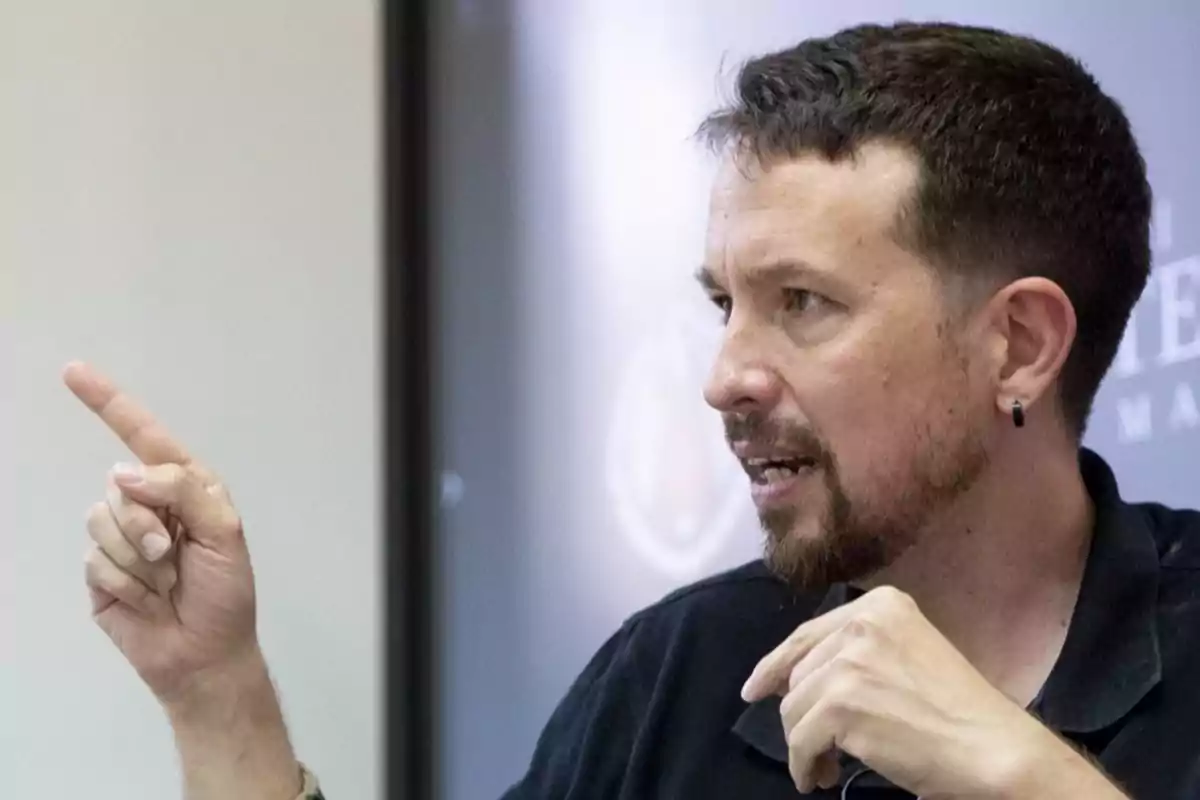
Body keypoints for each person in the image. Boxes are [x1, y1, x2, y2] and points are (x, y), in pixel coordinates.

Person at [68, 20, 1199, 800]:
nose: (726, 374)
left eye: (802, 302)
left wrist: (1017, 771)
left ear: (1020, 344)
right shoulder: (683, 672)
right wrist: (217, 694)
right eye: (725, 304)